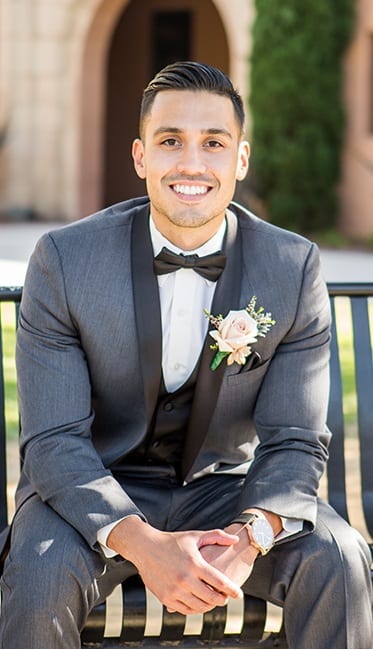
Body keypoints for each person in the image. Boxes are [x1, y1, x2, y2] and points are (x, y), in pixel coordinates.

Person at [0, 61, 371, 649]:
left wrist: (250, 537)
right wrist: (146, 546)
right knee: (40, 570)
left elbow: (296, 438)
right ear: (141, 157)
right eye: (170, 141)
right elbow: (52, 442)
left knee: (339, 556)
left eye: (214, 143)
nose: (192, 164)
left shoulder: (290, 267)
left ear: (240, 160)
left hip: (228, 489)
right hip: (95, 488)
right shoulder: (65, 261)